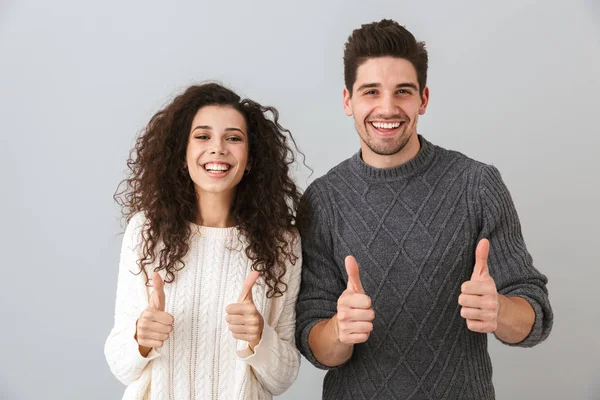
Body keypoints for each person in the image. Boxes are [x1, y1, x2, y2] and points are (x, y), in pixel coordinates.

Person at [295, 19, 553, 399]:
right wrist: (337, 330)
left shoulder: (476, 184)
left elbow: (536, 316)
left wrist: (499, 310)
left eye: (403, 91)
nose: (387, 107)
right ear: (348, 100)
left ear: (424, 99)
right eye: (371, 91)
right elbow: (314, 341)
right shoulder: (323, 199)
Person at [105, 82, 303, 399]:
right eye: (202, 136)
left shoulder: (282, 242)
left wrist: (258, 338)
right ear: (182, 154)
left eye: (234, 138)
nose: (218, 148)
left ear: (251, 158)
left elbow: (282, 378)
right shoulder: (146, 230)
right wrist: (140, 339)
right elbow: (120, 365)